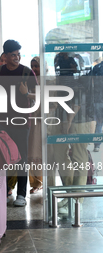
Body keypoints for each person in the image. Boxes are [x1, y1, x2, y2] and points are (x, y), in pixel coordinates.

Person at [0, 40, 38, 207]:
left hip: (22, 123)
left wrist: (26, 93)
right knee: (1, 157)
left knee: (22, 158)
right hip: (1, 122)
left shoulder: (27, 72)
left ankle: (21, 195)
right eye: (13, 55)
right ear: (5, 56)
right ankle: (2, 190)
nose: (17, 58)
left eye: (18, 54)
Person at [50, 52, 94, 214]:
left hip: (78, 121)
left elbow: (78, 100)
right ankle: (70, 195)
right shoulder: (62, 76)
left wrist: (68, 121)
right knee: (60, 157)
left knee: (79, 158)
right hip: (62, 119)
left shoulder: (78, 79)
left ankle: (76, 200)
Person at [28, 56, 43, 193]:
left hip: (42, 120)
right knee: (32, 152)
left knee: (40, 152)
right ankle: (35, 184)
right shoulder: (30, 81)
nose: (34, 69)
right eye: (32, 66)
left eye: (36, 66)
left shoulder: (47, 81)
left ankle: (42, 182)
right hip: (31, 120)